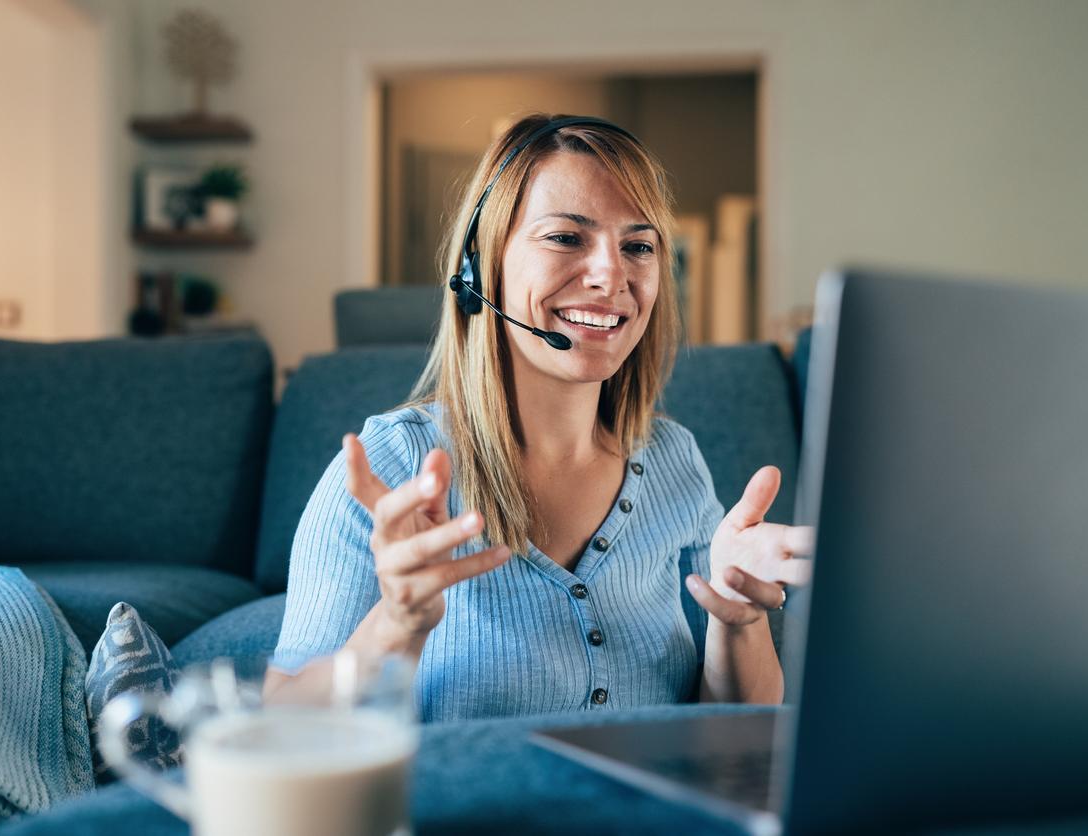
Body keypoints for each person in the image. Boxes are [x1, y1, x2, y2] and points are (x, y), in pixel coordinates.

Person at [264, 114, 812, 721]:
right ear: (480, 269)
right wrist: (394, 626)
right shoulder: (389, 467)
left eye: (638, 246)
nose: (612, 275)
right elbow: (279, 726)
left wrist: (739, 619)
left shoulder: (673, 459)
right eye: (566, 238)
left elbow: (735, 726)